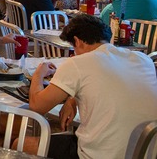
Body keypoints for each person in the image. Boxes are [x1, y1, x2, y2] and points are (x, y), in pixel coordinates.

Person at [23, 14, 157, 158]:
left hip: (97, 155)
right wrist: (73, 99)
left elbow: (37, 106)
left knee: (19, 144)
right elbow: (115, 86)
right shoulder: (143, 59)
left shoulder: (77, 63)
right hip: (146, 152)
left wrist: (39, 73)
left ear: (77, 41)